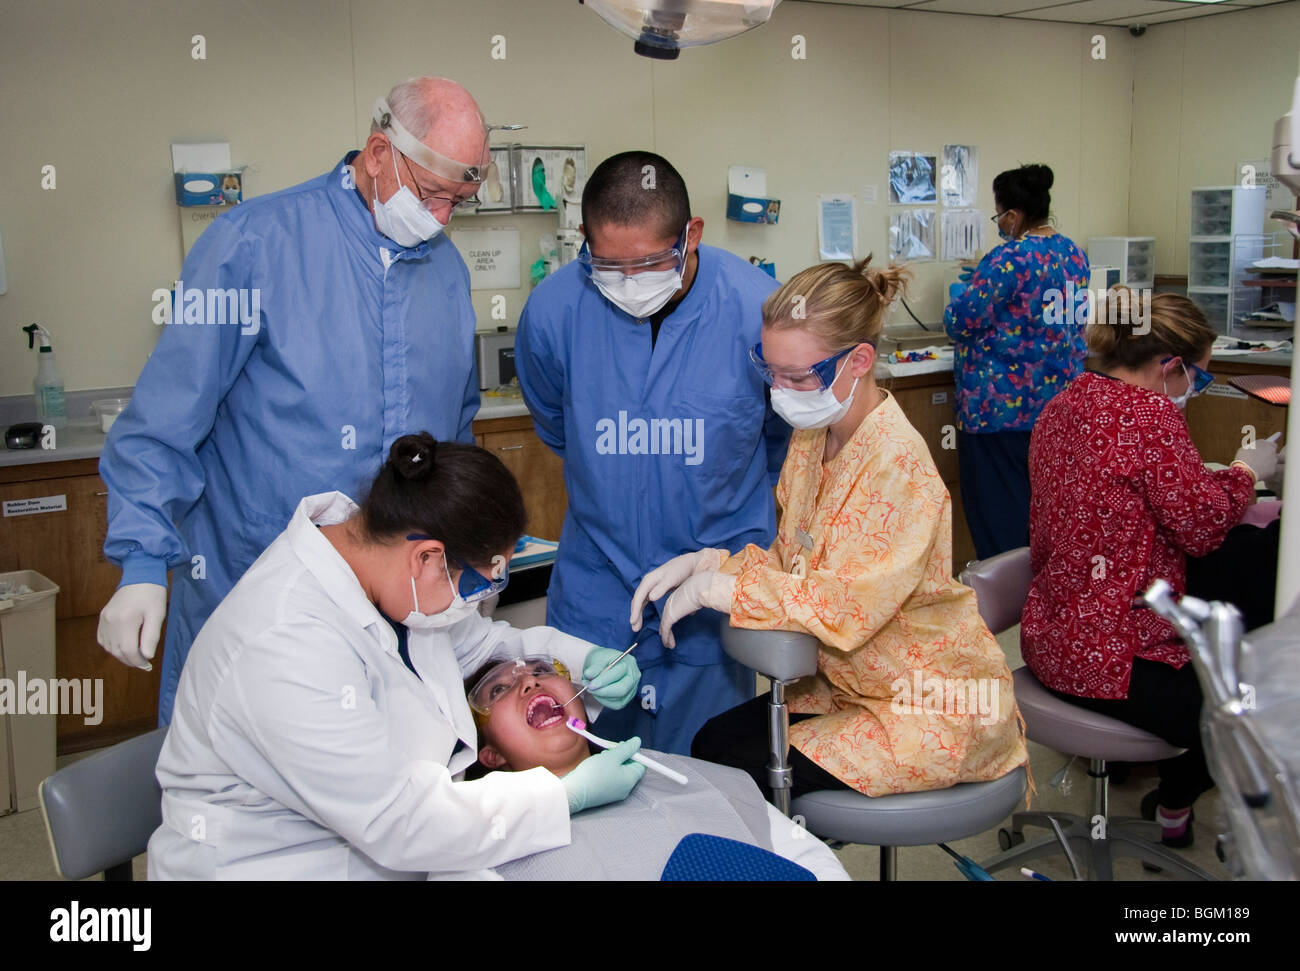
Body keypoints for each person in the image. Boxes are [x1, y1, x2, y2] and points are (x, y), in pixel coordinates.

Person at [98, 77, 492, 724]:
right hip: (253, 601)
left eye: (461, 200)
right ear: (376, 153)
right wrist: (142, 560)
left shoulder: (444, 272)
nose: (443, 217)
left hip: (391, 620)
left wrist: (467, 549)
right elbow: (163, 424)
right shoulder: (252, 247)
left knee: (380, 802)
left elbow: (455, 432)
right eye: (431, 193)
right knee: (245, 804)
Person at [148, 434, 646, 880]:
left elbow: (484, 647)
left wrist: (581, 659)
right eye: (476, 583)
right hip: (271, 865)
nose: (473, 600)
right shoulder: (284, 644)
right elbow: (396, 821)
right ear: (426, 558)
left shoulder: (387, 579)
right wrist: (561, 797)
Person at [636, 259, 1028, 798]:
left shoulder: (896, 465)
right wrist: (711, 564)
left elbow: (846, 608)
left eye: (799, 376)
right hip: (852, 684)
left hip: (926, 702)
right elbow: (792, 560)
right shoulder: (814, 437)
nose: (780, 390)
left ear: (859, 361)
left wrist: (726, 591)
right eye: (770, 370)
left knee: (738, 773)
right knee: (713, 745)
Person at [515, 151, 790, 754]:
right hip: (597, 590)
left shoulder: (758, 312)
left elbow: (779, 441)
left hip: (714, 591)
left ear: (692, 235)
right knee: (588, 780)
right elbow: (559, 428)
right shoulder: (555, 312)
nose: (629, 281)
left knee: (709, 781)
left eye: (649, 262)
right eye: (609, 265)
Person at [1022, 290, 1280, 847]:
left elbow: (1129, 497)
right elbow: (1203, 528)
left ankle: (1169, 800)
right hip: (1110, 660)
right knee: (1258, 710)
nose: (1196, 390)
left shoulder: (1064, 402)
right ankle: (1175, 802)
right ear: (1170, 366)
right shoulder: (1150, 416)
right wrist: (1244, 470)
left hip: (1049, 638)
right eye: (1200, 378)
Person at [466, 656, 849, 880]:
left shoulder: (683, 775)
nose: (529, 682)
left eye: (542, 669)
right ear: (490, 755)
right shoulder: (483, 842)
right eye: (497, 690)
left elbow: (809, 861)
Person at [944, 163, 1090, 560]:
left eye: (999, 215)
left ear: (1013, 214)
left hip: (999, 412)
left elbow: (961, 321)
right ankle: (1045, 596)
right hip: (1056, 406)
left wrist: (957, 300)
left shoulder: (1008, 258)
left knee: (999, 514)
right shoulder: (1073, 254)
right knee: (1044, 507)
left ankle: (1010, 607)